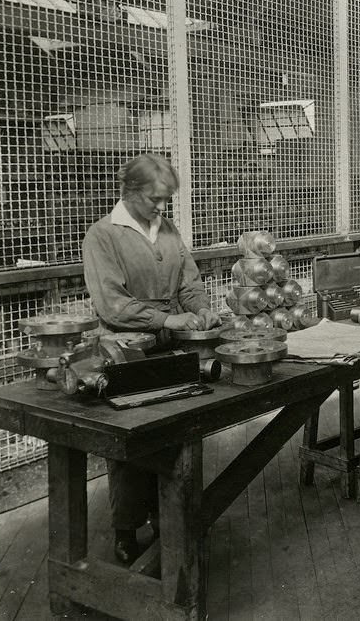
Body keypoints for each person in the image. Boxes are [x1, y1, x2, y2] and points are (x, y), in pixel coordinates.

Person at [82, 153, 220, 563]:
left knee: (172, 437)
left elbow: (189, 282)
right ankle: (126, 530)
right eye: (154, 199)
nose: (162, 207)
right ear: (130, 191)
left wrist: (201, 308)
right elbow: (111, 304)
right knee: (130, 444)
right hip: (126, 353)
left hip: (171, 349)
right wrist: (166, 318)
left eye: (166, 199)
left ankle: (167, 521)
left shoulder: (169, 230)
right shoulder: (103, 235)